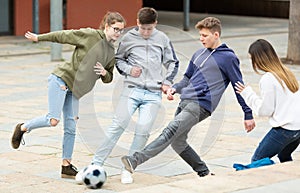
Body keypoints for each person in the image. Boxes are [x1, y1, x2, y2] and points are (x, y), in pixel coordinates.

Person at [121, 16, 256, 178]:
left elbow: (238, 86)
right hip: (185, 101)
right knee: (178, 142)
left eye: (205, 36)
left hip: (201, 105)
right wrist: (174, 88)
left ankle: (135, 160)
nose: (201, 39)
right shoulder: (199, 53)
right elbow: (187, 78)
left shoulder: (228, 58)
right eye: (200, 35)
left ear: (216, 35)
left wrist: (248, 114)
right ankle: (204, 172)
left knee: (170, 130)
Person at [10, 12, 126, 179]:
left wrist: (103, 73)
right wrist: (39, 38)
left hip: (76, 91)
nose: (118, 33)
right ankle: (22, 127)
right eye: (115, 29)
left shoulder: (110, 52)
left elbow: (109, 77)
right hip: (61, 80)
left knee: (71, 127)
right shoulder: (90, 35)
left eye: (121, 30)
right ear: (106, 27)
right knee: (53, 120)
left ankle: (66, 166)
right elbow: (63, 35)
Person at [90, 7, 179, 184]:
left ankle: (128, 168)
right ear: (137, 22)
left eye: (149, 29)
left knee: (143, 131)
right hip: (132, 90)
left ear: (155, 24)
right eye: (142, 28)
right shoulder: (128, 38)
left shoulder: (162, 38)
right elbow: (119, 60)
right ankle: (96, 164)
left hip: (153, 94)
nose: (146, 32)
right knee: (118, 125)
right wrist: (130, 70)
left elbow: (173, 62)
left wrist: (167, 81)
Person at [235, 39, 300, 163]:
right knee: (284, 157)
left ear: (257, 59)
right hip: (298, 129)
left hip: (285, 130)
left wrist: (247, 93)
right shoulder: (287, 73)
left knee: (257, 160)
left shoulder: (268, 79)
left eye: (252, 59)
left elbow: (265, 111)